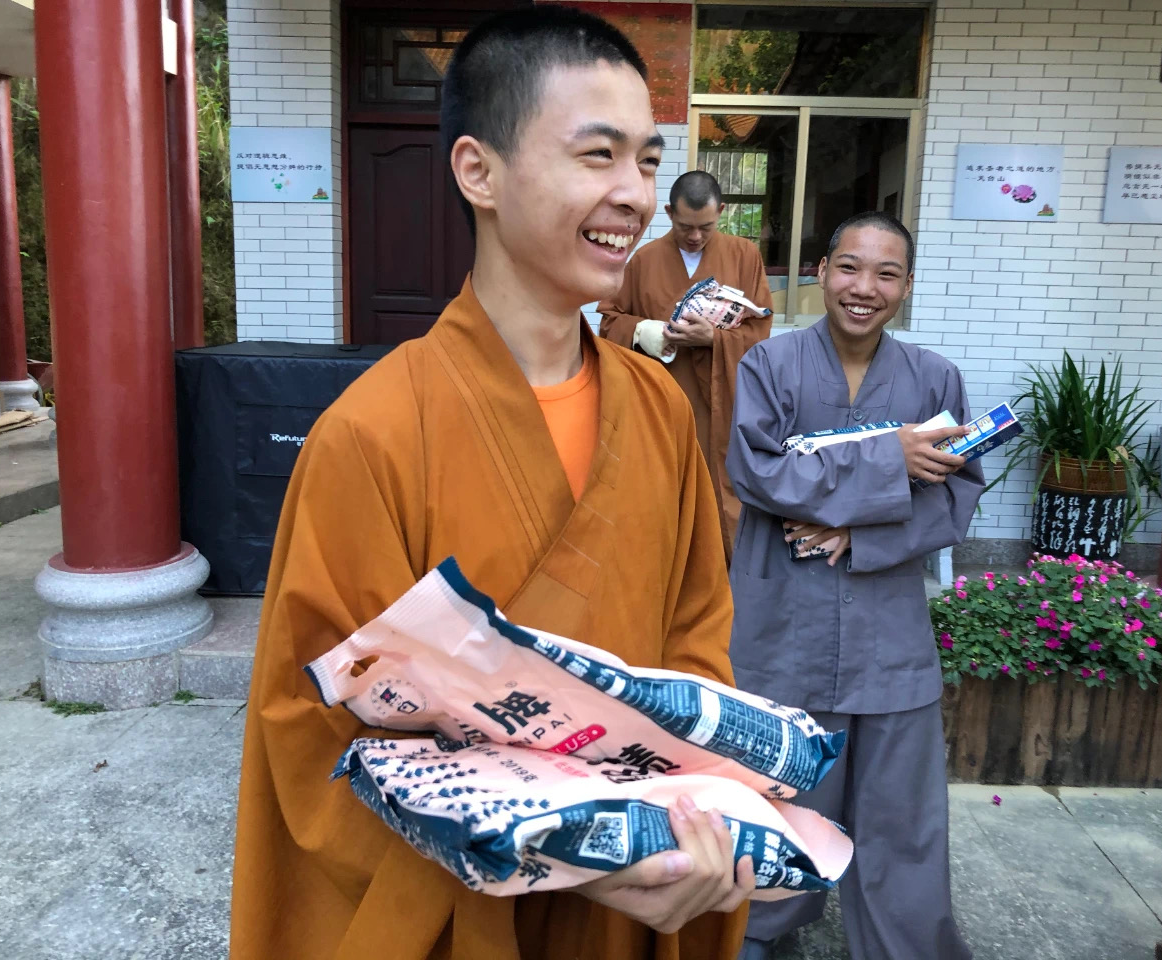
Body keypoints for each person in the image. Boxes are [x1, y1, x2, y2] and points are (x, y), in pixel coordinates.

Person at [229, 9, 756, 960]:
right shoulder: (372, 434)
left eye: (646, 161)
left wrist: (686, 823)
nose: (634, 194)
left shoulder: (658, 408)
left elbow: (695, 643)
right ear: (479, 171)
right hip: (462, 918)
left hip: (636, 899)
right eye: (597, 155)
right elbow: (313, 731)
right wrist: (559, 852)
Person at [725, 212, 981, 960]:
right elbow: (757, 472)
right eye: (849, 267)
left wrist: (859, 534)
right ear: (821, 271)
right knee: (779, 793)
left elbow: (957, 493)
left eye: (886, 273)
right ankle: (759, 928)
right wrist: (887, 459)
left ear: (907, 285)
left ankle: (907, 946)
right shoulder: (769, 366)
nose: (864, 287)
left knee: (901, 812)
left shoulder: (934, 378)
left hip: (885, 629)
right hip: (785, 617)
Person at [598, 171, 772, 562]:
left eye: (706, 227)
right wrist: (645, 331)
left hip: (720, 402)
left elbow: (760, 329)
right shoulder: (644, 260)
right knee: (660, 494)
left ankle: (720, 573)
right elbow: (609, 321)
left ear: (721, 212)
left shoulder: (744, 255)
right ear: (669, 213)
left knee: (719, 493)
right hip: (659, 400)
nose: (695, 236)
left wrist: (715, 339)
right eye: (685, 227)